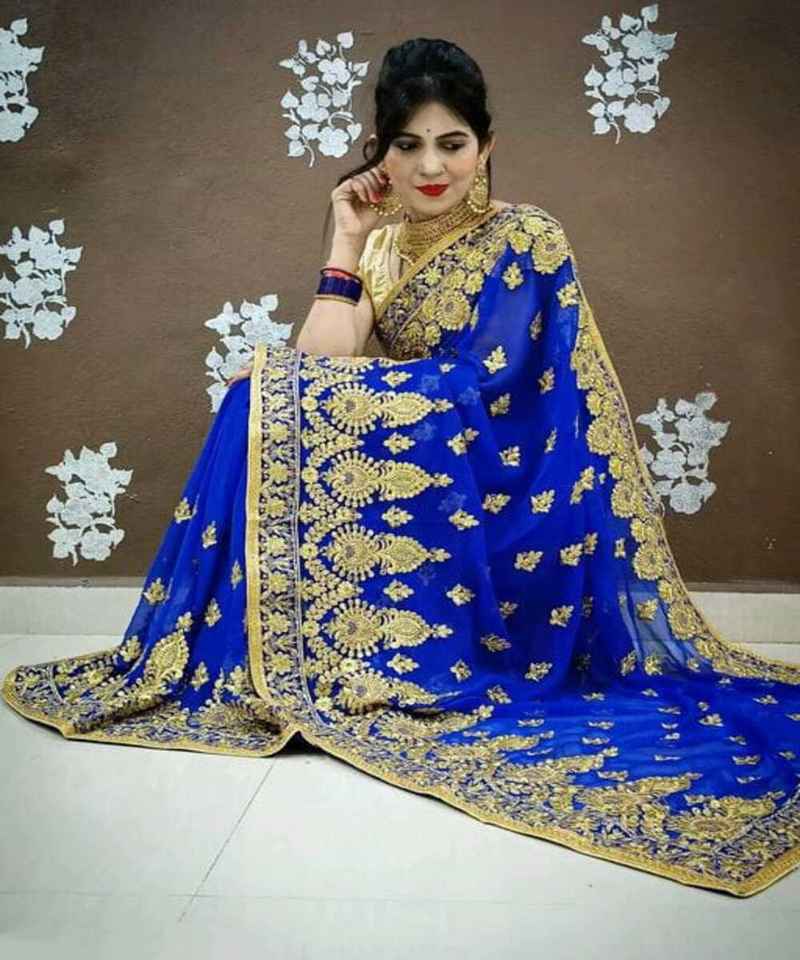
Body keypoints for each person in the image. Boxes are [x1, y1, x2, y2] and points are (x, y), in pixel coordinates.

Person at [3, 37, 800, 898]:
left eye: (452, 143)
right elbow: (323, 364)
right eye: (408, 145)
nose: (430, 167)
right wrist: (345, 242)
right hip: (427, 477)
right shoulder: (382, 246)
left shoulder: (528, 236)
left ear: (486, 146)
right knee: (260, 399)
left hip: (510, 496)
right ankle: (260, 660)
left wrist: (316, 383)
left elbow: (497, 391)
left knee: (274, 388)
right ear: (379, 152)